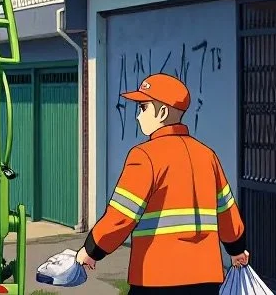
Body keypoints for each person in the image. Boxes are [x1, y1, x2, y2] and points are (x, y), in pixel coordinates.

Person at [76, 73, 248, 294]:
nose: (138, 116)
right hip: (206, 276)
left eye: (143, 107)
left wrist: (91, 250)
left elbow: (121, 217)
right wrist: (236, 249)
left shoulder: (144, 156)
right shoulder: (208, 156)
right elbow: (227, 213)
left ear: (163, 112)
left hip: (156, 276)